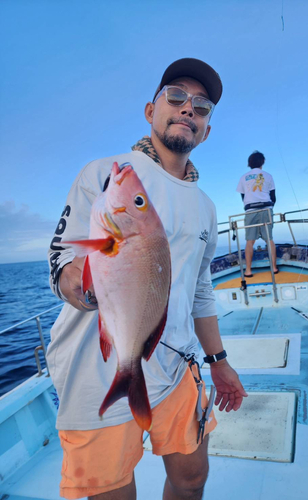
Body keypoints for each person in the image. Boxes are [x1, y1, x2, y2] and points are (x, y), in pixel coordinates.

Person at [47, 58, 247, 500]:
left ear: (208, 129)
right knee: (114, 492)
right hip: (97, 371)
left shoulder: (207, 207)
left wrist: (220, 362)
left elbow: (199, 292)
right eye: (175, 96)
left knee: (192, 478)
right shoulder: (105, 173)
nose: (188, 109)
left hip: (177, 365)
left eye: (202, 106)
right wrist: (82, 287)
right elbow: (63, 261)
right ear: (150, 110)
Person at [236, 151, 278, 277]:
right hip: (266, 209)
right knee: (269, 239)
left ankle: (248, 270)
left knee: (250, 241)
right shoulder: (268, 176)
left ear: (249, 163)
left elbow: (243, 197)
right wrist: (269, 207)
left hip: (250, 210)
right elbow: (273, 197)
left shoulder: (243, 177)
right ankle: (274, 268)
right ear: (262, 162)